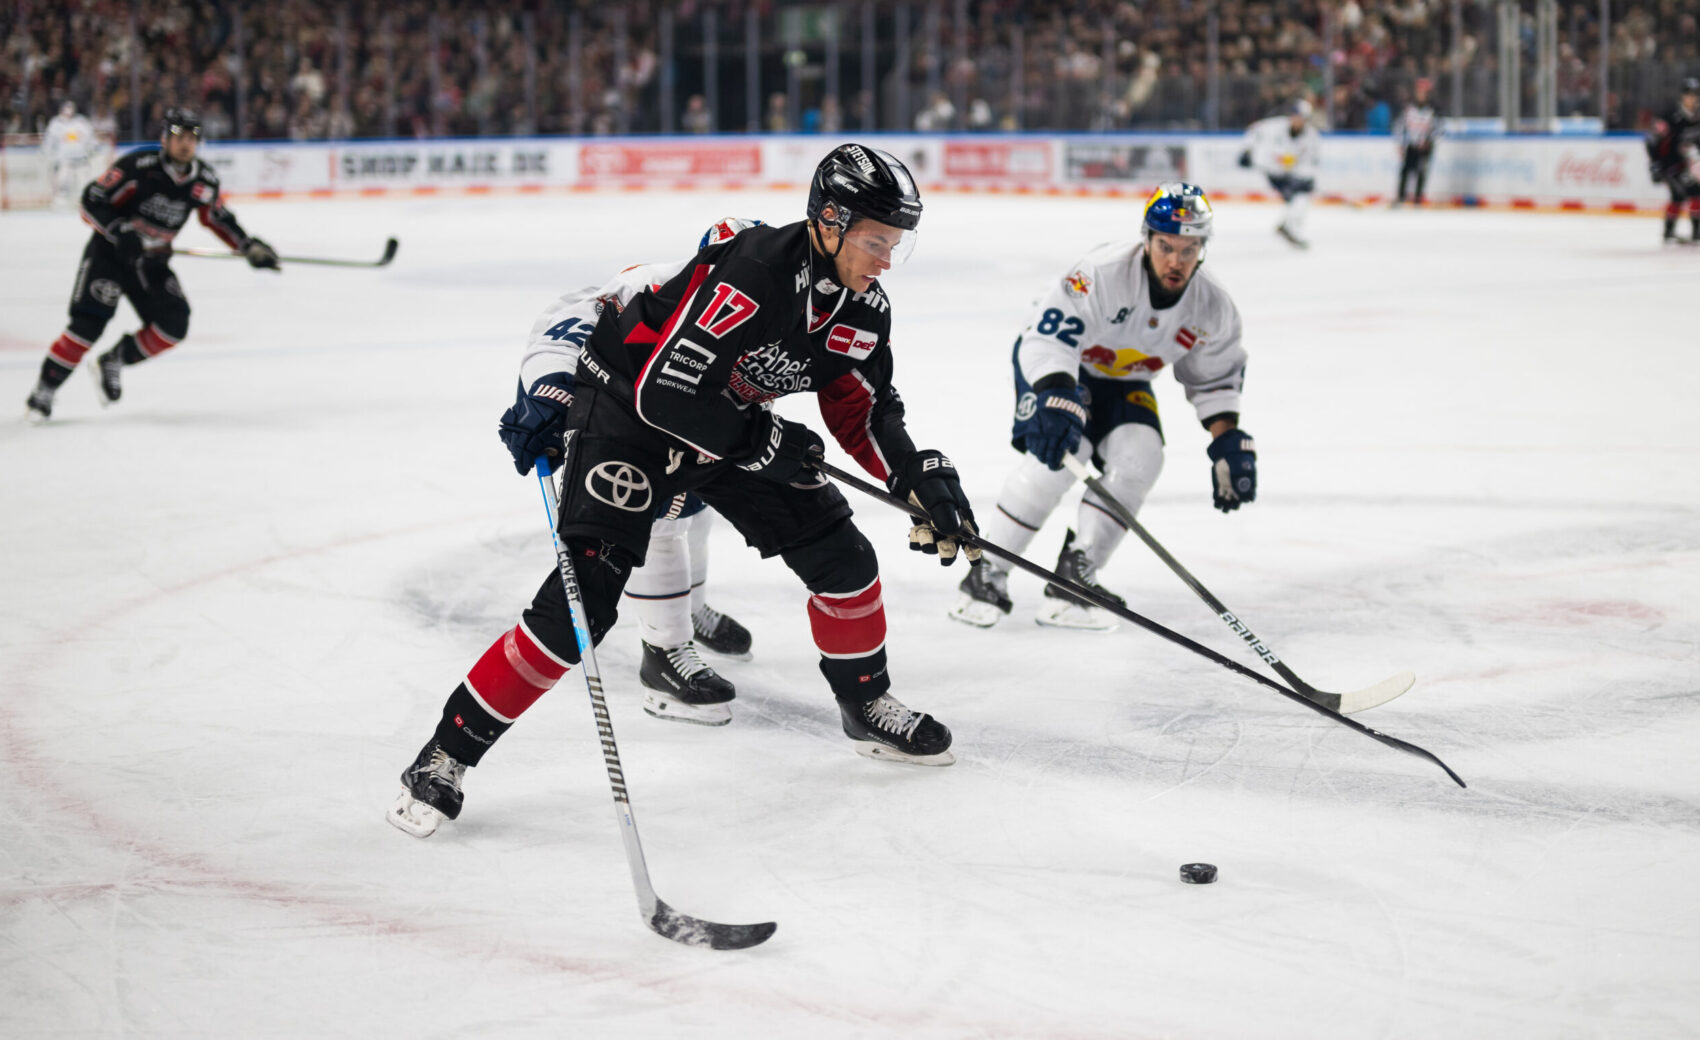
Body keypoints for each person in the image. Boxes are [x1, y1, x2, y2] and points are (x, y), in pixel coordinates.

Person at [389, 144, 981, 839]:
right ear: (829, 220)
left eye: (896, 244)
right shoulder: (756, 271)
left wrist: (918, 476)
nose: (886, 260)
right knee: (580, 604)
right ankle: (446, 754)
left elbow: (866, 411)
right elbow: (664, 391)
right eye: (876, 241)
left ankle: (866, 704)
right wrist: (552, 389)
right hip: (627, 416)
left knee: (843, 558)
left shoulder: (863, 310)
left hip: (723, 424)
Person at [497, 218, 765, 728]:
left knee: (697, 505)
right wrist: (550, 390)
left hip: (681, 410)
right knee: (656, 514)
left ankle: (688, 607)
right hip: (619, 407)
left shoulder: (769, 301)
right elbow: (571, 321)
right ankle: (664, 654)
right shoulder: (654, 286)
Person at [950, 183, 1254, 631]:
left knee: (1141, 457)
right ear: (1147, 239)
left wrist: (1226, 439)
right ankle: (986, 572)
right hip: (1059, 366)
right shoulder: (1102, 272)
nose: (1176, 261)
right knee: (1059, 458)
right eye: (1166, 246)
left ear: (1202, 249)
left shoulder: (1212, 305)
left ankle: (1075, 578)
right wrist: (1057, 394)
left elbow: (1214, 376)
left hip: (1125, 378)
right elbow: (1049, 337)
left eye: (1189, 249)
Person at [24, 108, 278, 423]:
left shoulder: (204, 180)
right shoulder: (137, 167)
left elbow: (217, 217)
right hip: (110, 256)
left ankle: (114, 359)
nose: (185, 144)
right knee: (87, 326)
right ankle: (44, 392)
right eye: (178, 136)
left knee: (174, 324)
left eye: (192, 138)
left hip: (152, 263)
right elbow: (92, 200)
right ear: (164, 138)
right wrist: (119, 230)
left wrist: (248, 246)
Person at [1240, 98, 1321, 248]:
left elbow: (1311, 161)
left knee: (1302, 196)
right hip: (1273, 171)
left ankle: (1289, 227)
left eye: (1302, 117)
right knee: (1297, 197)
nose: (1298, 120)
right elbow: (1254, 131)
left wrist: (1303, 177)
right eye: (1296, 116)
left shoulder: (1311, 136)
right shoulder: (1275, 126)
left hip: (1292, 174)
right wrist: (1247, 150)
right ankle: (1288, 227)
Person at [1646, 77, 1700, 246]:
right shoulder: (1671, 116)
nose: (1692, 98)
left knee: (1679, 196)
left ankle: (1669, 231)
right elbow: (1652, 140)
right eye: (1688, 94)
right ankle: (1696, 232)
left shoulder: (1697, 116)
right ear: (1682, 96)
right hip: (1671, 165)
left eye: (1695, 94)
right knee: (1693, 192)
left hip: (1690, 164)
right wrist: (1655, 163)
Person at [1392, 78, 1443, 207]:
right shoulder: (1408, 108)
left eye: (1425, 92)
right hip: (1411, 144)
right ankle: (1401, 196)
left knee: (1421, 171)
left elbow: (1439, 129)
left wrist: (1429, 141)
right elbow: (1400, 126)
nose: (1422, 95)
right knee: (1405, 170)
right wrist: (1401, 143)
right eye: (1420, 91)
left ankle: (1418, 197)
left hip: (1425, 146)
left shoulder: (1433, 110)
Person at [42, 100, 99, 205]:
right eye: (66, 108)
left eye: (71, 108)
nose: (69, 111)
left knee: (84, 182)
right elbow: (49, 142)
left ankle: (84, 202)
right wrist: (50, 155)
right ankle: (61, 202)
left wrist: (92, 149)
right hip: (65, 159)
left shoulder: (81, 122)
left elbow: (90, 138)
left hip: (81, 159)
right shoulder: (56, 123)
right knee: (63, 181)